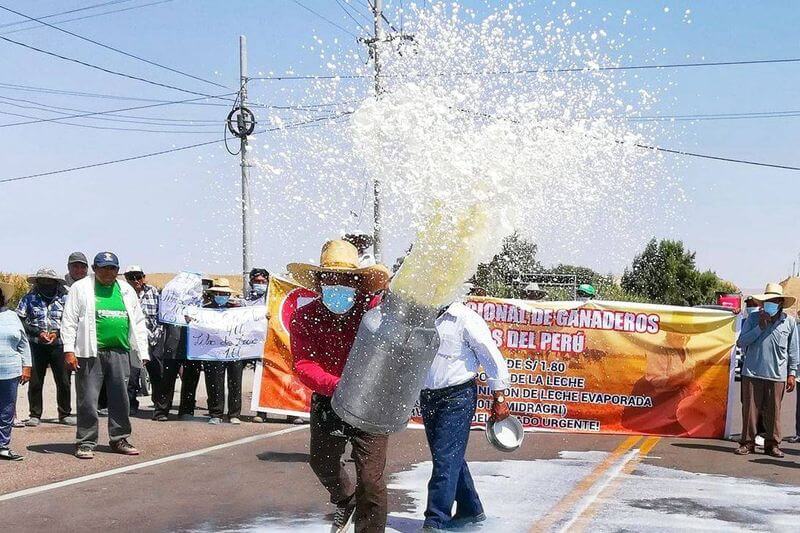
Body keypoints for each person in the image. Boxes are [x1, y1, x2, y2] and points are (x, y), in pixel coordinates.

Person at [288, 239, 391, 532]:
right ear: (319, 283)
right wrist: (336, 385)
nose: (337, 285)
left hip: (371, 403)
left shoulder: (375, 313)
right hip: (328, 400)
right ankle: (345, 499)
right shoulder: (304, 317)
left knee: (370, 479)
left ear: (358, 283)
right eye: (330, 279)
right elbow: (304, 365)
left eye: (345, 279)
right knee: (322, 462)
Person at [419, 291, 511, 531]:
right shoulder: (422, 314)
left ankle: (435, 519)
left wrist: (499, 395)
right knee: (448, 456)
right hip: (428, 396)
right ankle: (471, 508)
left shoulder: (465, 318)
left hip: (457, 396)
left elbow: (491, 356)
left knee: (445, 458)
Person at [61, 252, 150, 459]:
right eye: (103, 268)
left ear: (118, 271)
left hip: (120, 351)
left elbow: (137, 322)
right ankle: (86, 441)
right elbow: (69, 320)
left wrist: (142, 351)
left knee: (121, 398)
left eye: (112, 268)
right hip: (90, 352)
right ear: (94, 268)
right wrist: (69, 349)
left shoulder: (126, 290)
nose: (108, 272)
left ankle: (119, 438)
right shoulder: (80, 288)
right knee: (88, 400)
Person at [735, 283, 799, 458]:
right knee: (750, 412)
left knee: (774, 413)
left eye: (773, 301)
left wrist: (792, 373)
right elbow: (741, 342)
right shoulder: (753, 318)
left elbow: (793, 351)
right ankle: (747, 443)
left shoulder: (789, 322)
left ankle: (773, 445)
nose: (769, 304)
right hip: (752, 373)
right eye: (767, 301)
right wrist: (759, 328)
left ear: (779, 302)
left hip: (777, 376)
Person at [16, 268, 74, 426]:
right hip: (36, 345)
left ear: (55, 282)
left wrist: (57, 332)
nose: (46, 284)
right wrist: (37, 332)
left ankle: (64, 414)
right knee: (35, 380)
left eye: (50, 281)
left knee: (63, 380)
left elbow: (71, 320)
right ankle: (35, 414)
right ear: (38, 282)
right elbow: (20, 321)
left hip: (59, 344)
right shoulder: (29, 298)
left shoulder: (65, 298)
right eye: (43, 281)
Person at [202, 278, 245, 425]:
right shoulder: (205, 309)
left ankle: (234, 414)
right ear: (213, 294)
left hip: (234, 352)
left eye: (224, 293)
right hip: (213, 352)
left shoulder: (237, 310)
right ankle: (216, 413)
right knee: (214, 382)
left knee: (235, 382)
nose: (221, 296)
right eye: (218, 293)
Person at [123, 266, 162, 414]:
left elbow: (161, 314)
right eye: (131, 277)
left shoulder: (153, 291)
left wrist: (158, 333)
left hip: (153, 339)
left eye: (138, 276)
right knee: (131, 376)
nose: (135, 280)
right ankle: (131, 405)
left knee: (157, 374)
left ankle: (159, 405)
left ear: (143, 277)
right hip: (132, 341)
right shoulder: (123, 292)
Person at [0, 280, 31, 461]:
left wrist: (27, 366)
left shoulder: (12, 316)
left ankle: (2, 446)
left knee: (6, 411)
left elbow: (23, 343)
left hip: (10, 371)